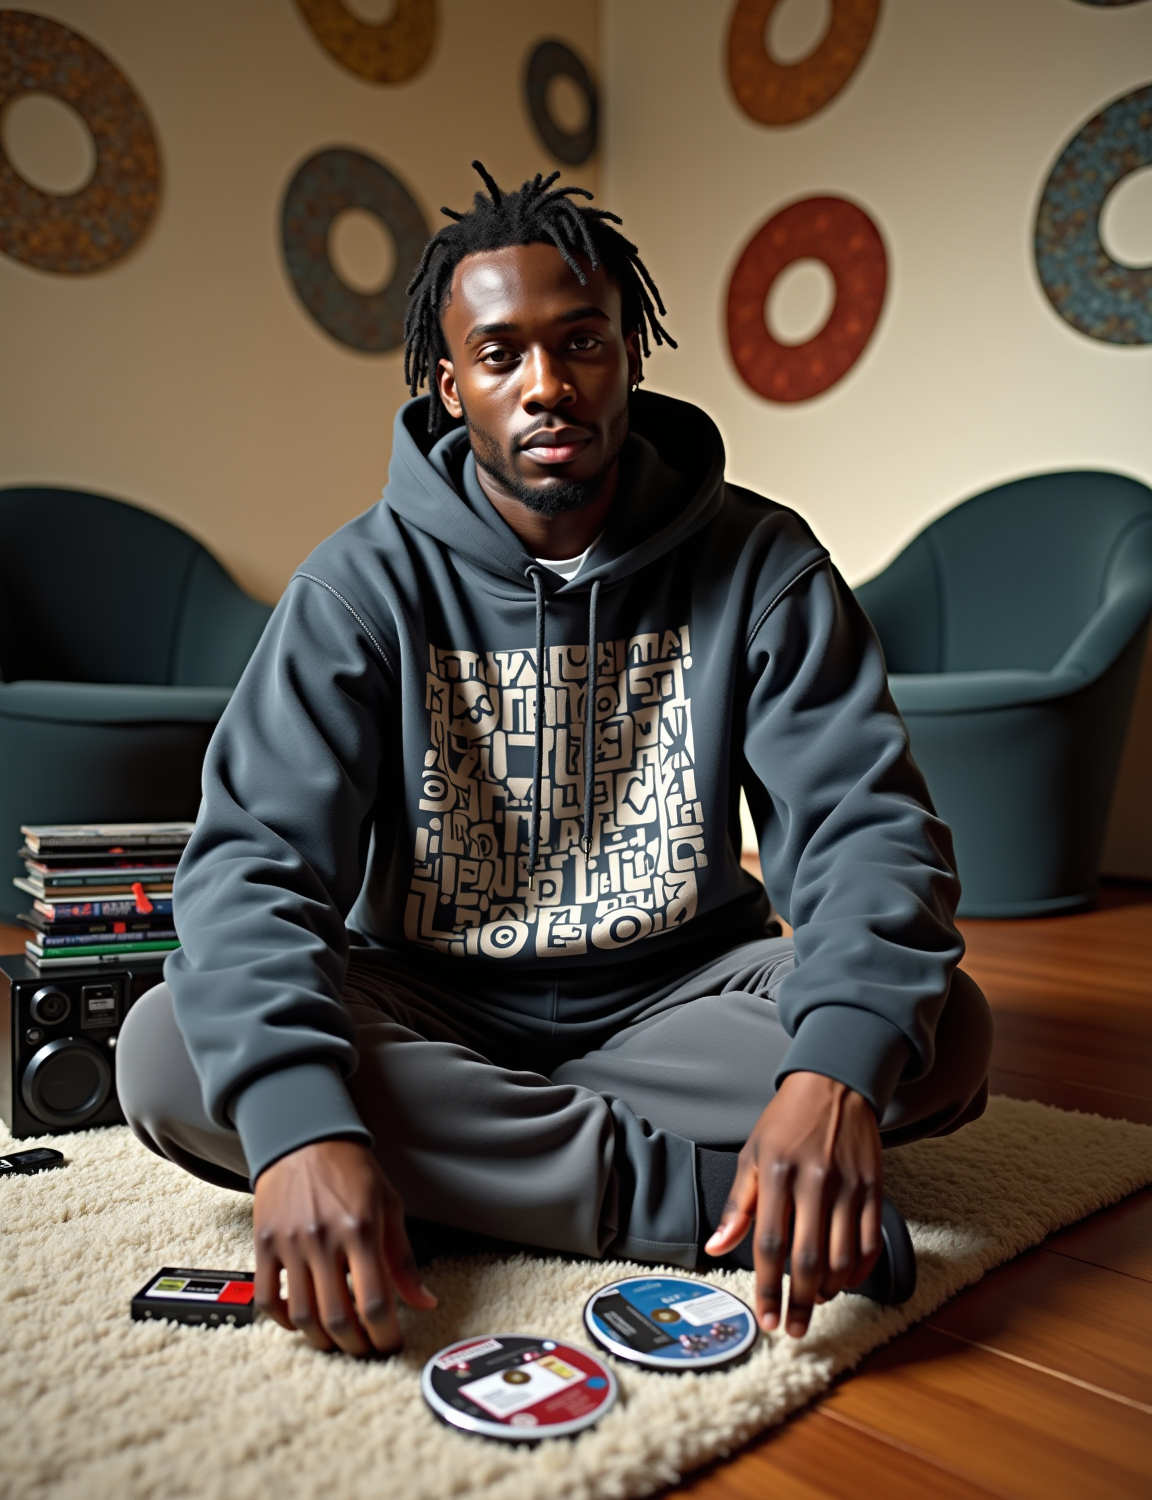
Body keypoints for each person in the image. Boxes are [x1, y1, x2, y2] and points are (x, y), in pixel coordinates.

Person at [117, 164, 992, 1361]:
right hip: (428, 1000)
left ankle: (472, 1172)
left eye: (581, 341)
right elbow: (251, 869)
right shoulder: (356, 588)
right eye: (500, 354)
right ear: (451, 385)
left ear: (631, 354)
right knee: (169, 1050)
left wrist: (830, 1078)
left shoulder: (762, 563)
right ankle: (690, 1199)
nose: (546, 384)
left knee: (939, 1035)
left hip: (680, 997)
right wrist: (301, 1130)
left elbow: (868, 831)